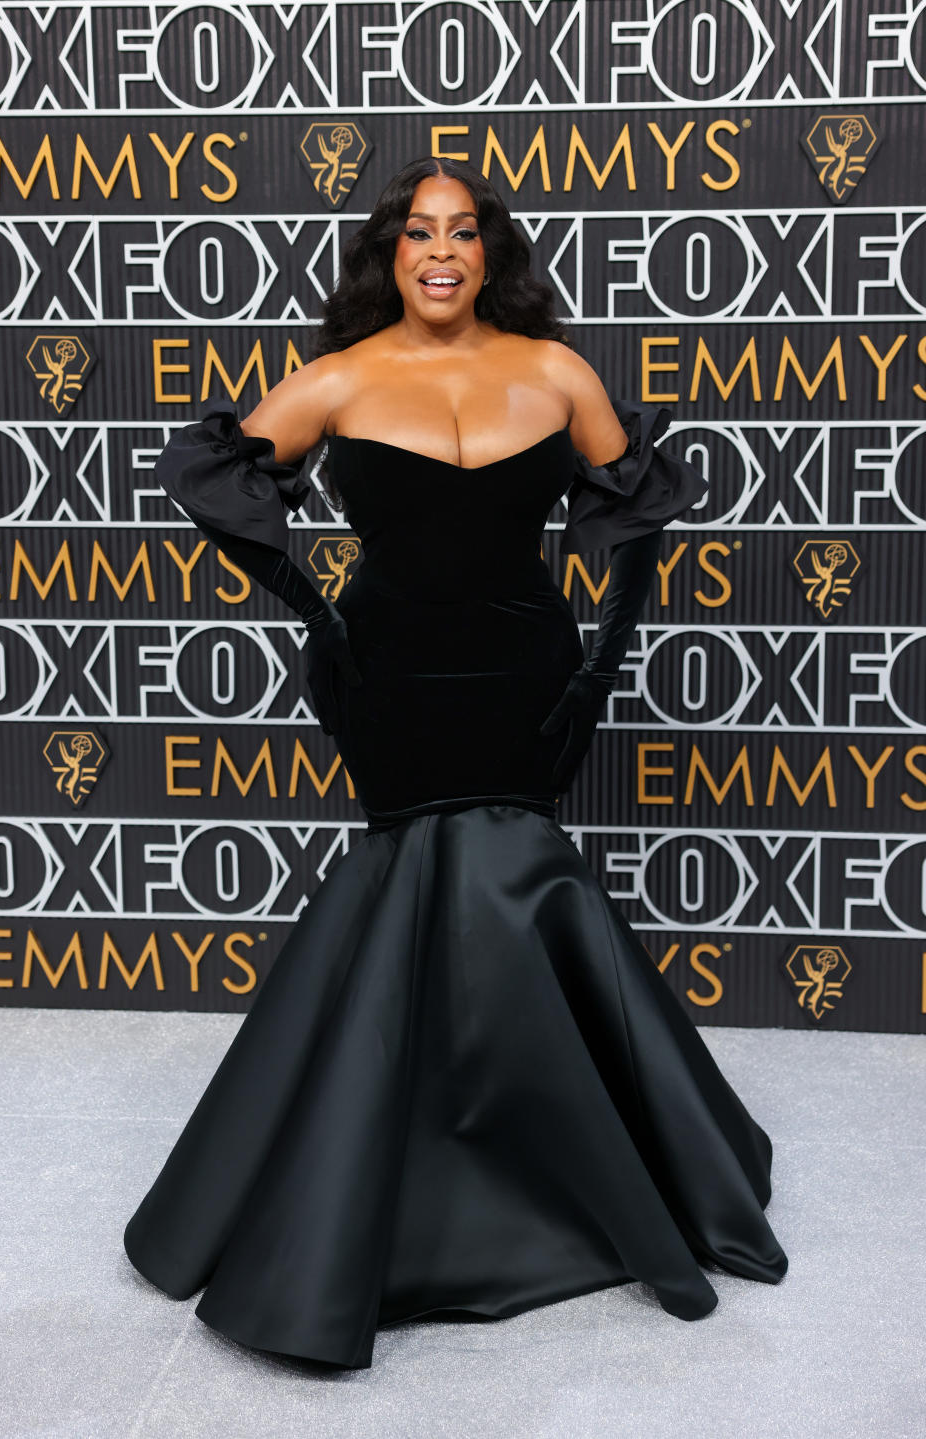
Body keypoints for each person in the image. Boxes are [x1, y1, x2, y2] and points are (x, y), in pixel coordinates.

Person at [123, 157, 787, 1369]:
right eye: (420, 230)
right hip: (393, 684)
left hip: (525, 678)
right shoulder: (339, 377)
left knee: (513, 883)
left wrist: (599, 669)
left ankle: (551, 1150)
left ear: (491, 253)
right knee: (420, 879)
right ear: (394, 251)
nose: (441, 250)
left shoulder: (555, 371)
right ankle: (398, 1160)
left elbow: (638, 511)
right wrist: (317, 615)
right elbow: (211, 474)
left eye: (464, 231)